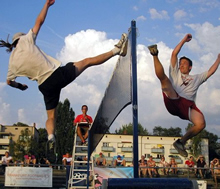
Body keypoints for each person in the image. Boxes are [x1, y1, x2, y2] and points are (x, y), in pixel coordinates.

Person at [0, 0, 128, 163]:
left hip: (44, 86)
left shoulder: (11, 63)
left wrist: (21, 86)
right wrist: (47, 4)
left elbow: (9, 82)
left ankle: (51, 137)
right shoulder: (27, 40)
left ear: (13, 44)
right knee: (87, 62)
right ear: (21, 38)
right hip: (56, 74)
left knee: (51, 117)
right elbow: (39, 21)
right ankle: (117, 50)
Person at [148, 34, 220, 157]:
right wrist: (183, 41)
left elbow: (211, 71)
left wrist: (218, 58)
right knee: (164, 80)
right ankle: (154, 54)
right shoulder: (175, 73)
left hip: (186, 106)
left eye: (184, 63)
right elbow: (174, 54)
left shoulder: (197, 78)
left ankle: (181, 142)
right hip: (173, 99)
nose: (181, 65)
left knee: (201, 123)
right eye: (180, 63)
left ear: (190, 67)